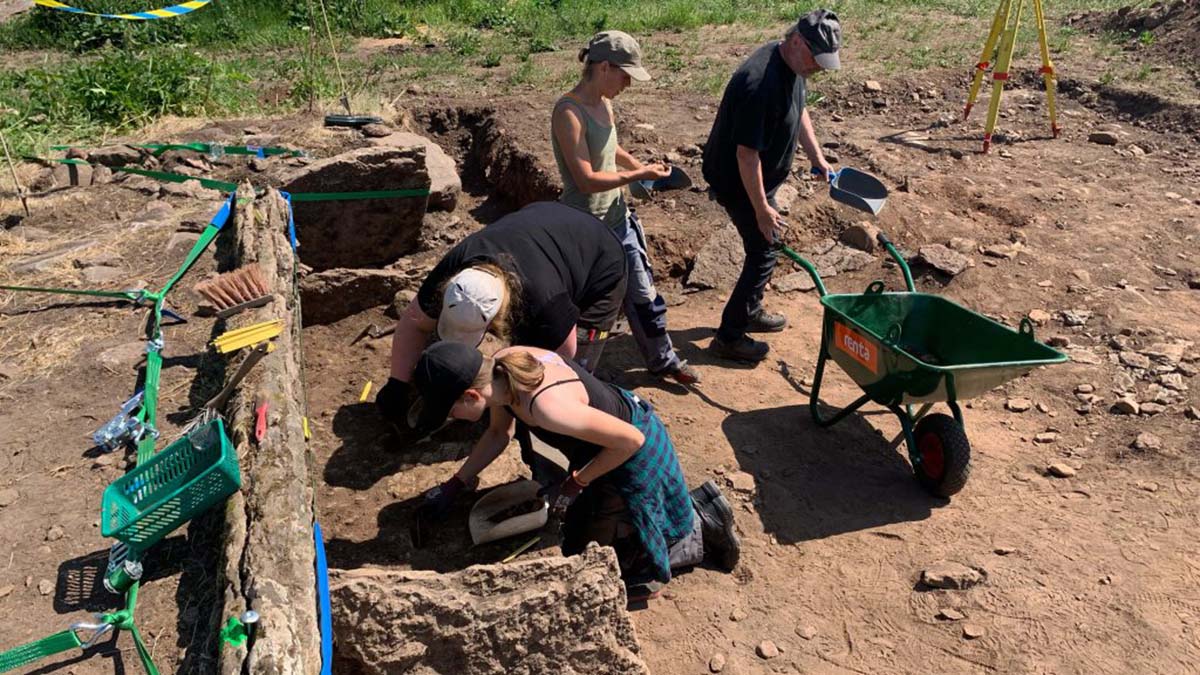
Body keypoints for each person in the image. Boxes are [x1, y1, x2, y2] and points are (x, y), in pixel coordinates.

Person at [410, 340, 740, 600]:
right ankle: (676, 513)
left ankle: (701, 524)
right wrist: (456, 483)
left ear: (470, 395)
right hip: (605, 441)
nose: (450, 417)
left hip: (629, 454)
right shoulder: (503, 366)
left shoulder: (546, 408)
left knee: (609, 572)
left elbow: (631, 442)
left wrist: (576, 482)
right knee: (581, 538)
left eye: (449, 410)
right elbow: (499, 433)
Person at [375, 201, 627, 427]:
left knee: (568, 378)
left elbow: (561, 359)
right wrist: (397, 383)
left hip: (600, 259)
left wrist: (507, 398)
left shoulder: (545, 302)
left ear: (497, 316)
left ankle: (582, 424)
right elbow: (414, 323)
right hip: (541, 223)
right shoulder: (456, 271)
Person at [551, 30, 700, 385]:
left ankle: (663, 359)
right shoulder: (568, 112)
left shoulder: (605, 104)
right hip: (584, 228)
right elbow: (586, 179)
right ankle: (576, 379)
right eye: (625, 75)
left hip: (618, 219)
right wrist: (635, 173)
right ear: (604, 67)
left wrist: (639, 172)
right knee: (592, 312)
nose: (628, 84)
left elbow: (611, 148)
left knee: (644, 294)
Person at [701, 9, 842, 363]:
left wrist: (817, 158)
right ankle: (729, 335)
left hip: (759, 177)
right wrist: (762, 209)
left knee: (766, 246)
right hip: (738, 181)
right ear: (797, 41)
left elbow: (800, 109)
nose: (819, 68)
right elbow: (746, 156)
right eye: (817, 59)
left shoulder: (793, 65)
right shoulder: (759, 84)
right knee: (764, 251)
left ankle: (750, 308)